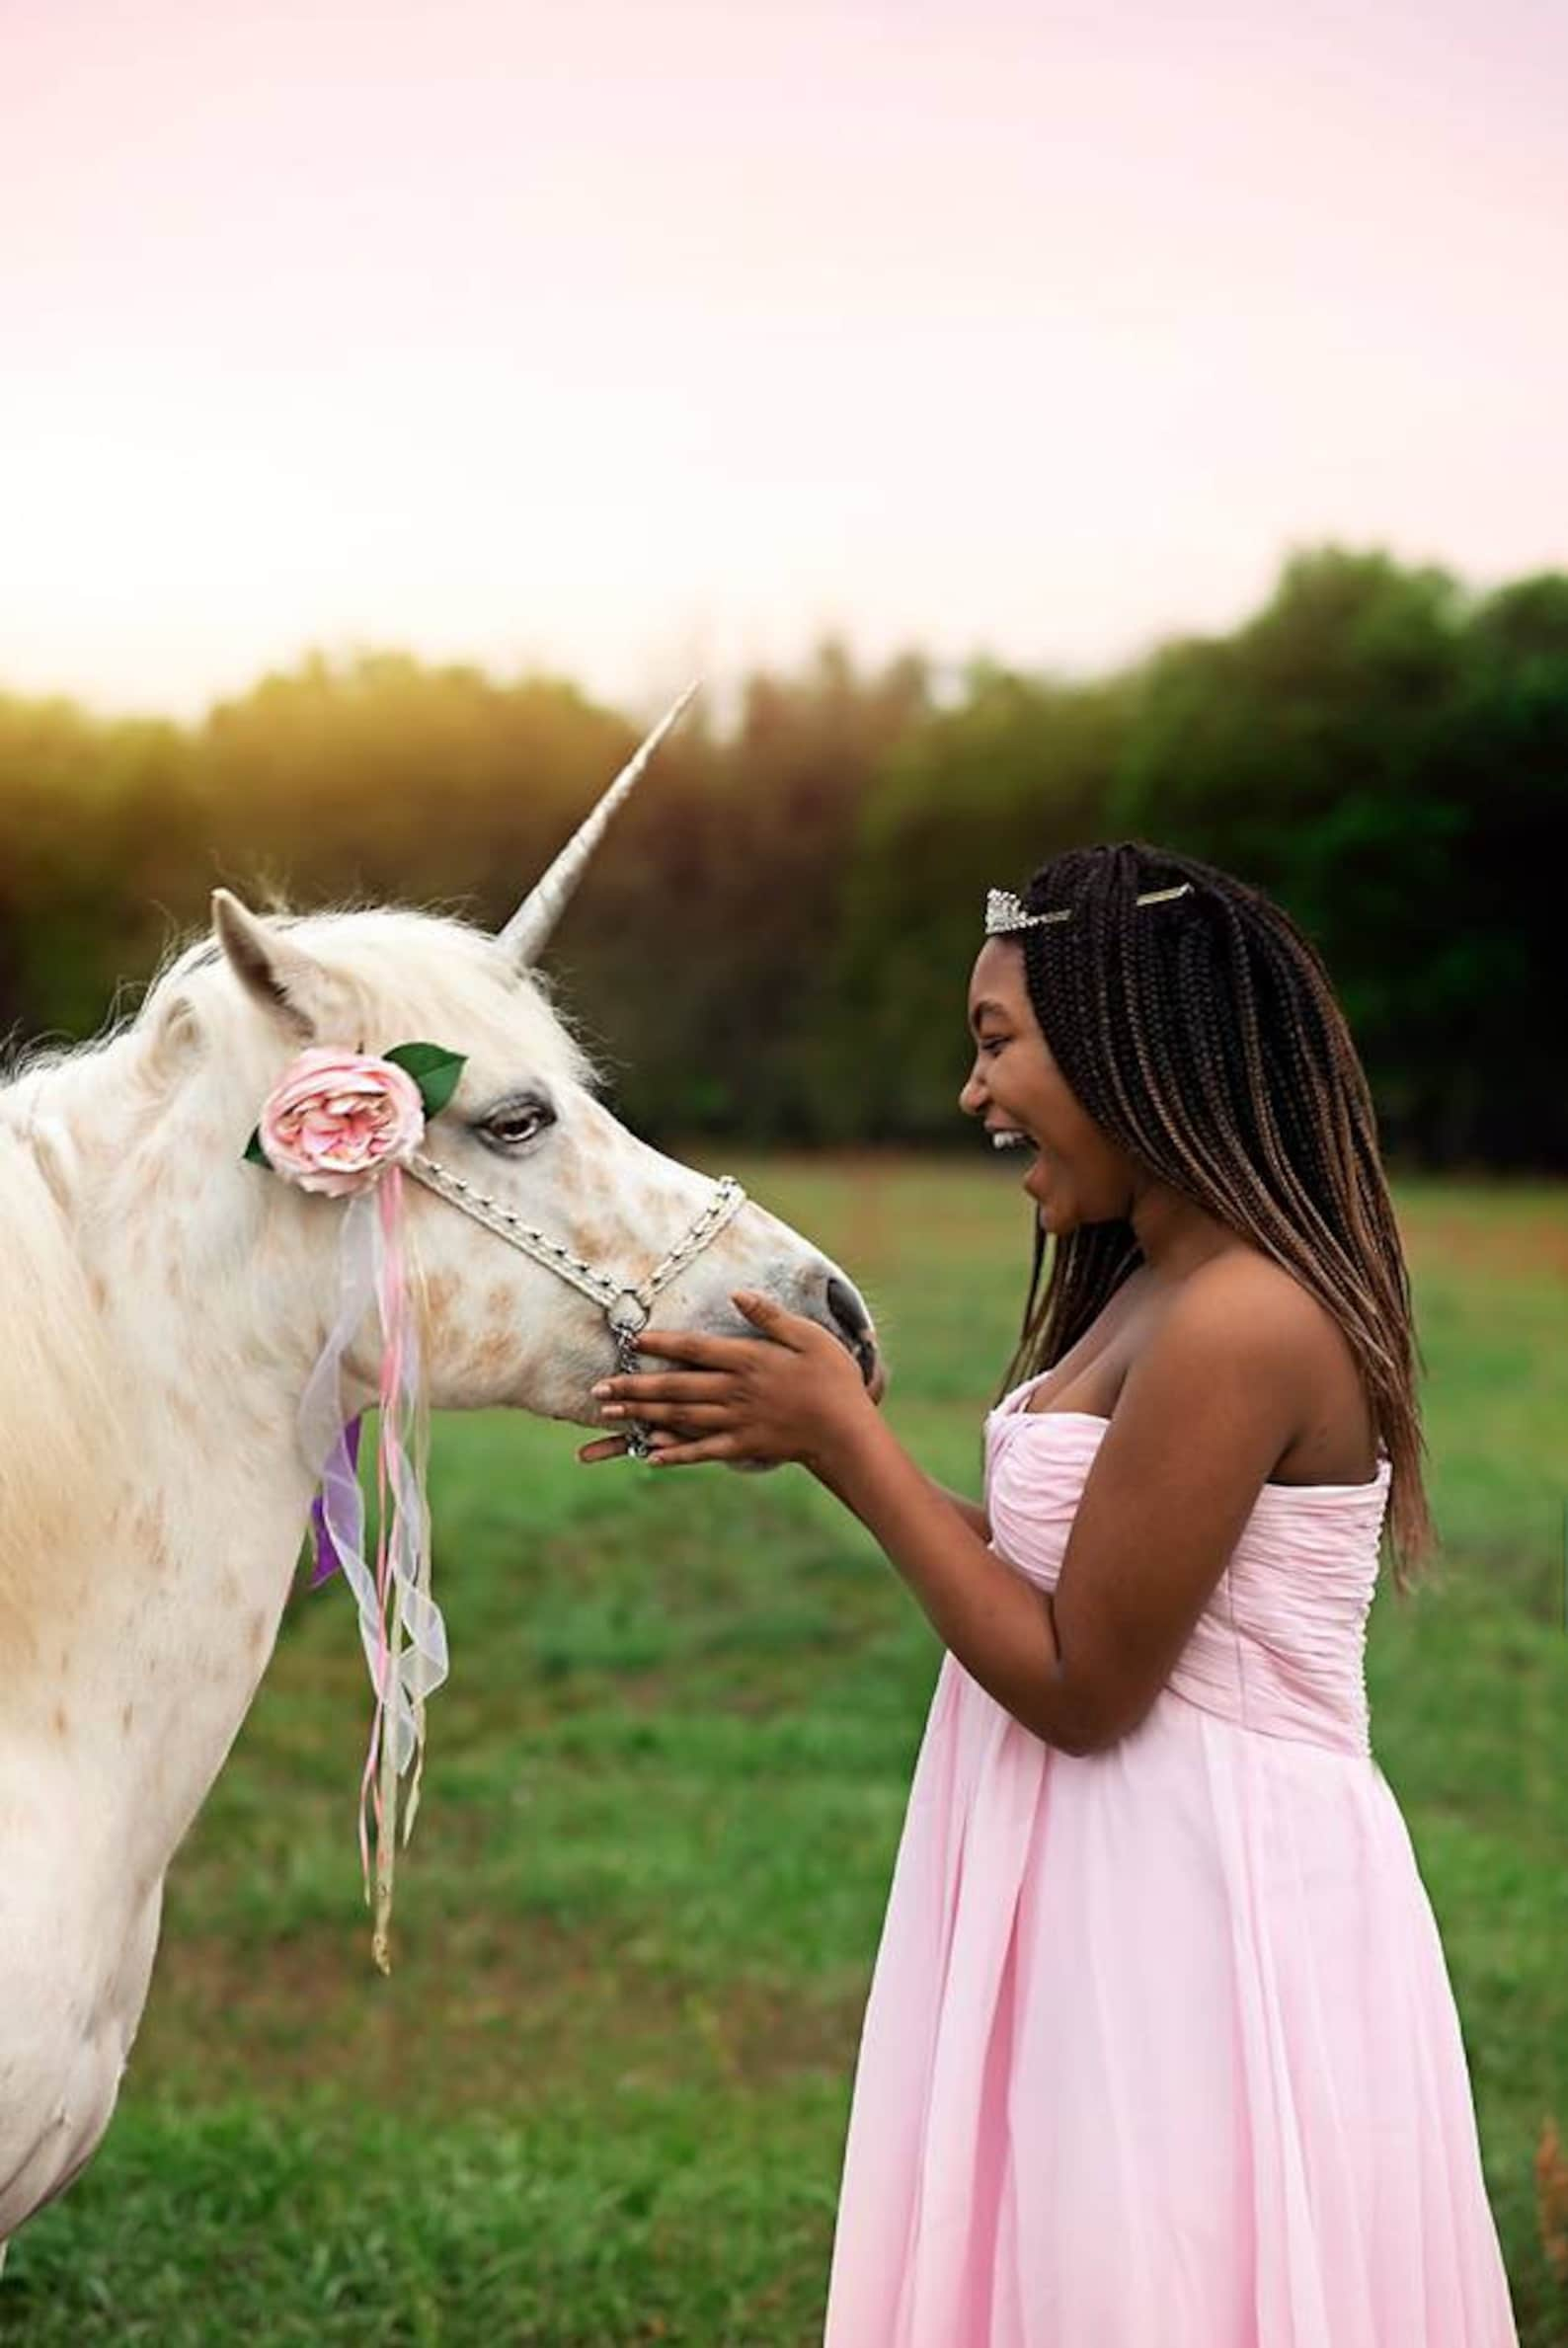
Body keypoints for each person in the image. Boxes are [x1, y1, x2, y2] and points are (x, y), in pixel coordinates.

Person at [580, 840, 1520, 2346]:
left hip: (1197, 1906)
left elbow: (1087, 1679)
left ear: (1125, 1041)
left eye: (997, 1042)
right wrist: (798, 1427)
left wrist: (849, 1443)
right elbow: (1080, 1583)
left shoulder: (1245, 1318)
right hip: (1103, 1870)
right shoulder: (1158, 1281)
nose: (974, 1093)